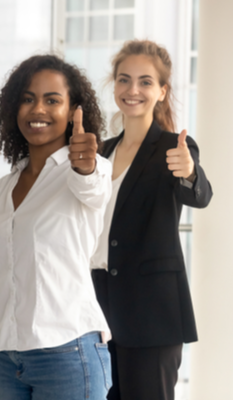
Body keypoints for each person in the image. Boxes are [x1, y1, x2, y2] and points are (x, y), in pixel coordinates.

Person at [0, 55, 112, 400]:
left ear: (75, 110)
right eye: (28, 99)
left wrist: (85, 165)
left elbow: (92, 186)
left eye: (52, 100)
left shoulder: (87, 171)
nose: (37, 109)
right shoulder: (2, 188)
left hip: (69, 354)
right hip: (8, 362)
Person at [90, 40, 213, 400]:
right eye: (124, 80)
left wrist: (189, 173)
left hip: (150, 312)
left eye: (145, 82)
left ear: (162, 91)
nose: (133, 90)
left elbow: (199, 195)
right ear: (114, 86)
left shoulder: (175, 147)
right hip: (96, 306)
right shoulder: (101, 152)